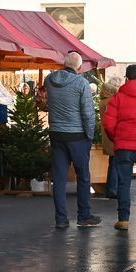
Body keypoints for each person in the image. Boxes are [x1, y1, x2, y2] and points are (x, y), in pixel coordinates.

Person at [44, 50, 99, 229]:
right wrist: (89, 135)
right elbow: (88, 114)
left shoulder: (49, 81)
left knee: (59, 178)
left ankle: (61, 218)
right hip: (77, 135)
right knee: (83, 176)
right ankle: (84, 215)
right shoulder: (81, 83)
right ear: (79, 66)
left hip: (56, 134)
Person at [101, 63, 136, 231]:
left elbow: (108, 122)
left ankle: (123, 219)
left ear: (127, 78)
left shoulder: (118, 97)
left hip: (124, 146)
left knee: (123, 183)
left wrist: (117, 138)